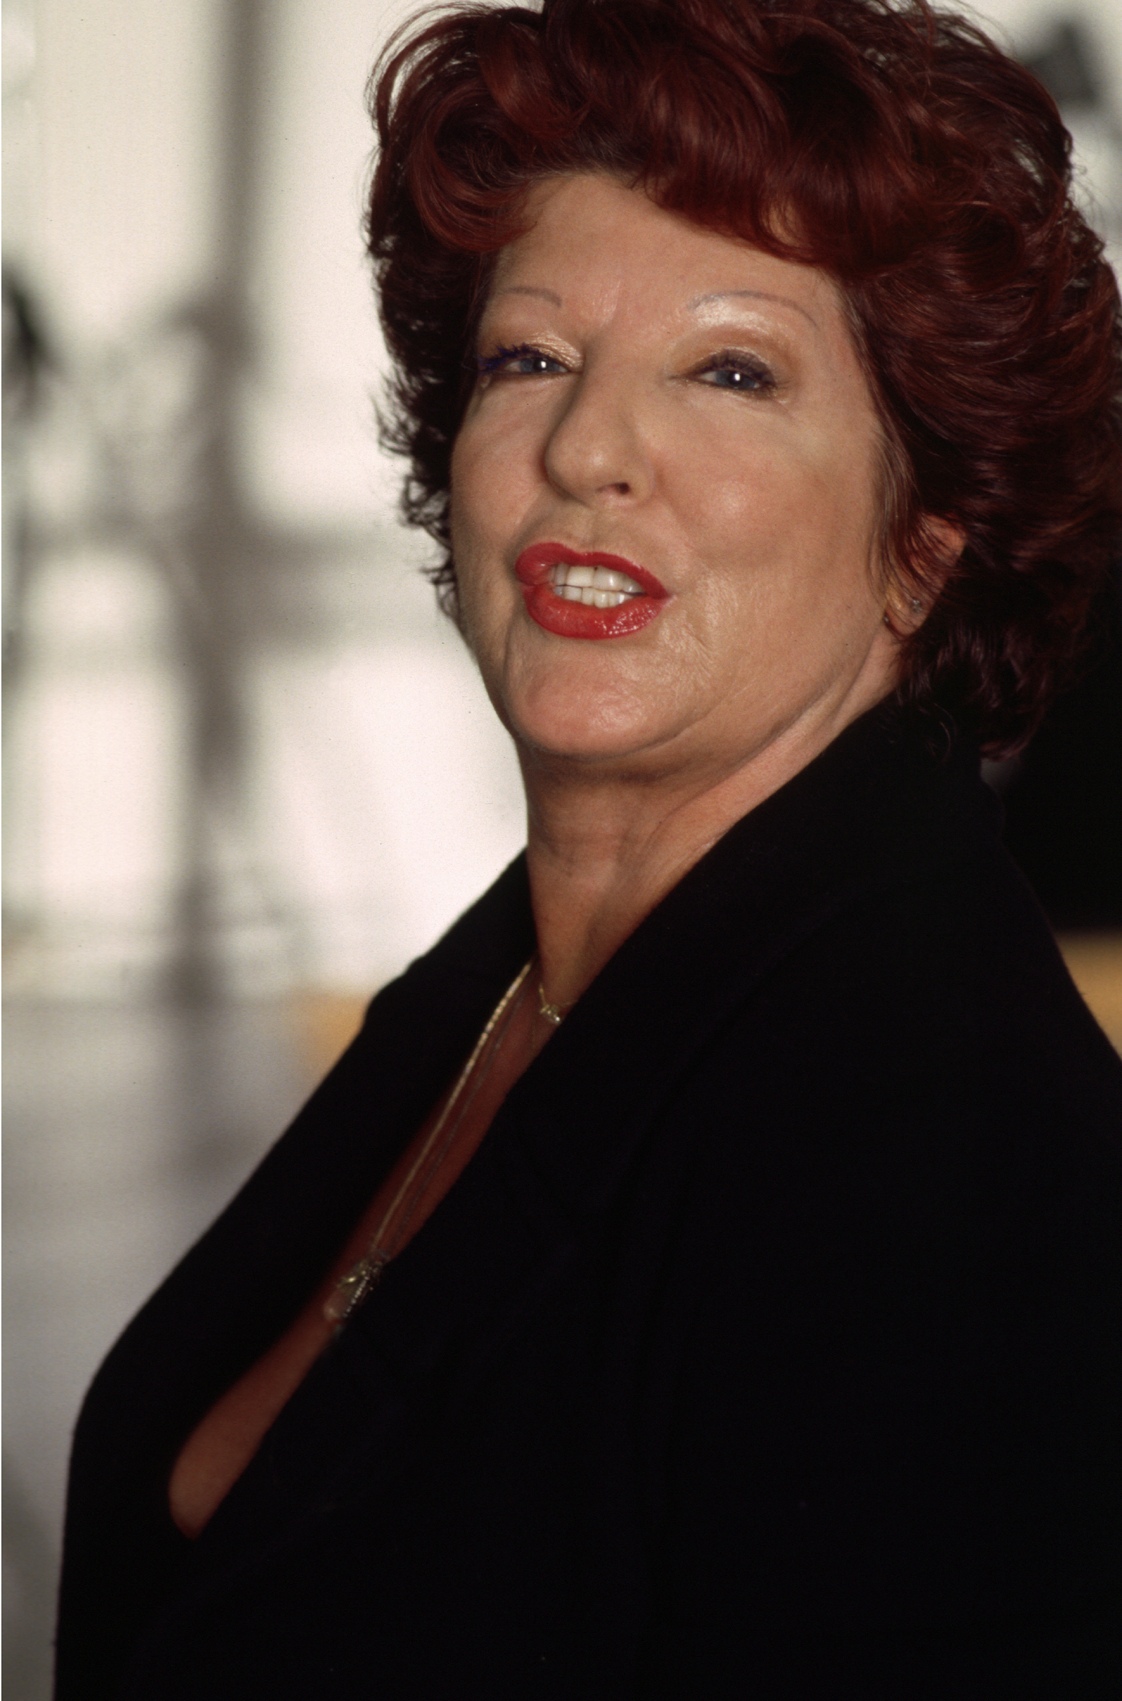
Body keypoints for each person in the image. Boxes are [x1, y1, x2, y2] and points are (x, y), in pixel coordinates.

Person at [56, 0, 1122, 1694]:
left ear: (926, 534)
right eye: (529, 359)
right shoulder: (510, 991)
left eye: (729, 370)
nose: (585, 448)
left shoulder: (944, 1161)